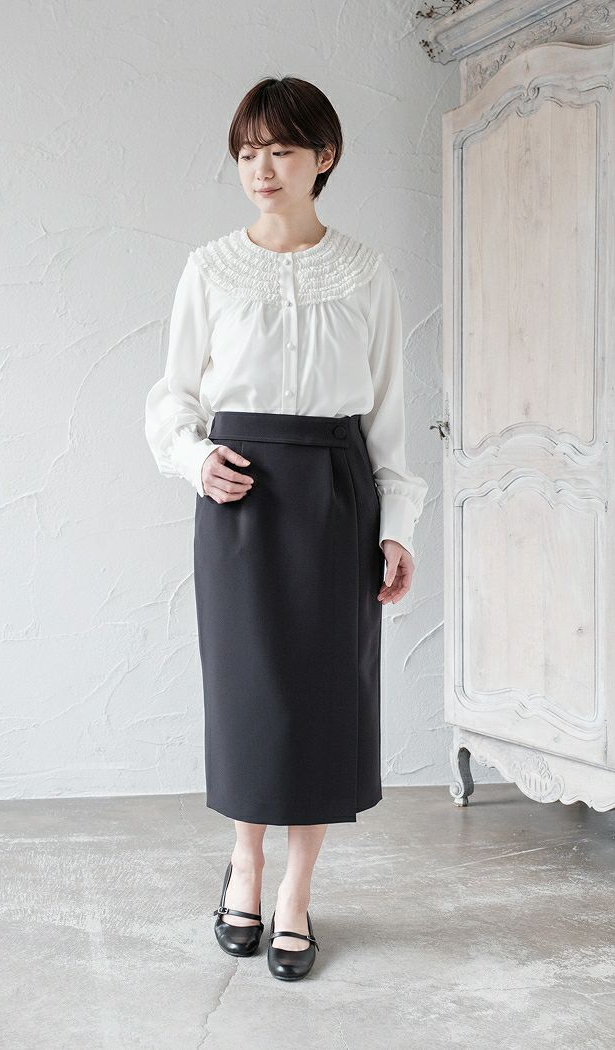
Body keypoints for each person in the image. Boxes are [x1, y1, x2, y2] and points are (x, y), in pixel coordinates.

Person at [145, 75, 428, 981]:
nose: (260, 169)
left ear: (323, 157)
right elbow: (172, 397)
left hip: (338, 495)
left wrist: (398, 524)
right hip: (241, 499)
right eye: (246, 153)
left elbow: (387, 416)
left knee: (325, 698)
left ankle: (297, 896)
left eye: (280, 151)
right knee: (249, 693)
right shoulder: (209, 268)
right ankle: (246, 866)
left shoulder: (366, 273)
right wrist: (196, 460)